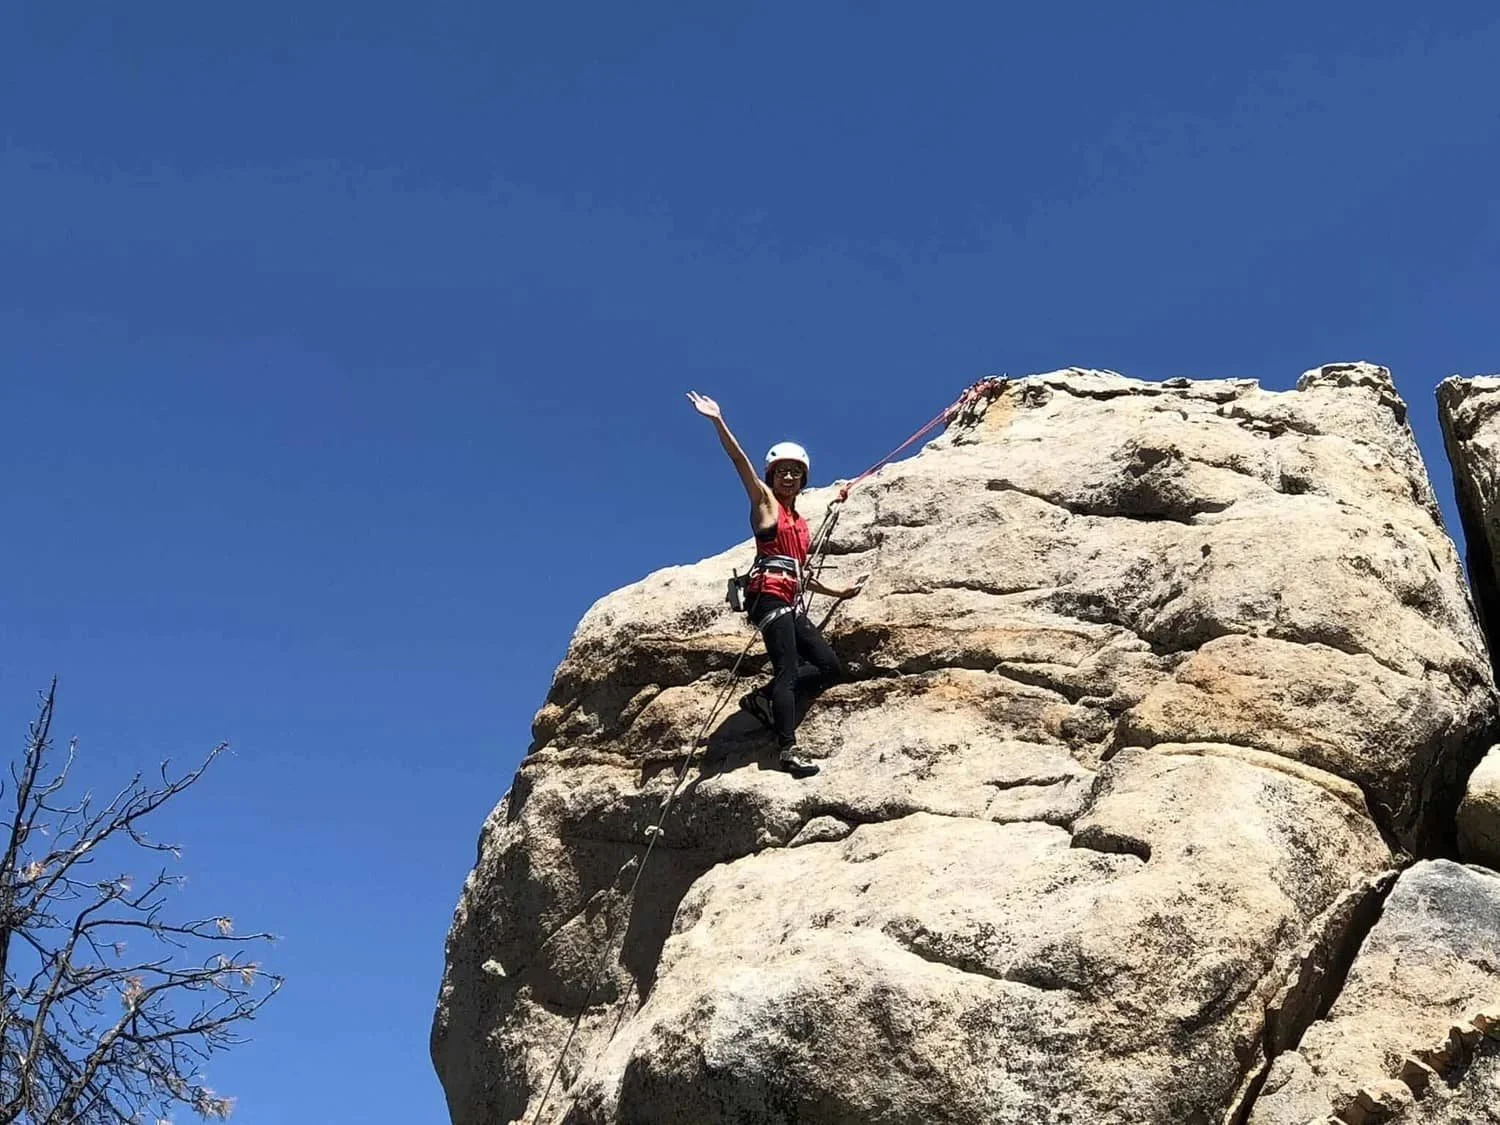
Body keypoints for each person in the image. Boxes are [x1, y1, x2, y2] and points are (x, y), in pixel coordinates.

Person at [687, 391, 865, 777]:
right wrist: (718, 420)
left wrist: (840, 592)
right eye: (782, 471)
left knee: (829, 666)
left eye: (795, 472)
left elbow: (801, 574)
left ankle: (762, 699)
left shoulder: (800, 524)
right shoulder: (765, 504)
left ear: (802, 479)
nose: (789, 476)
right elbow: (740, 462)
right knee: (788, 670)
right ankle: (786, 751)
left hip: (788, 596)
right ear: (772, 476)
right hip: (768, 599)